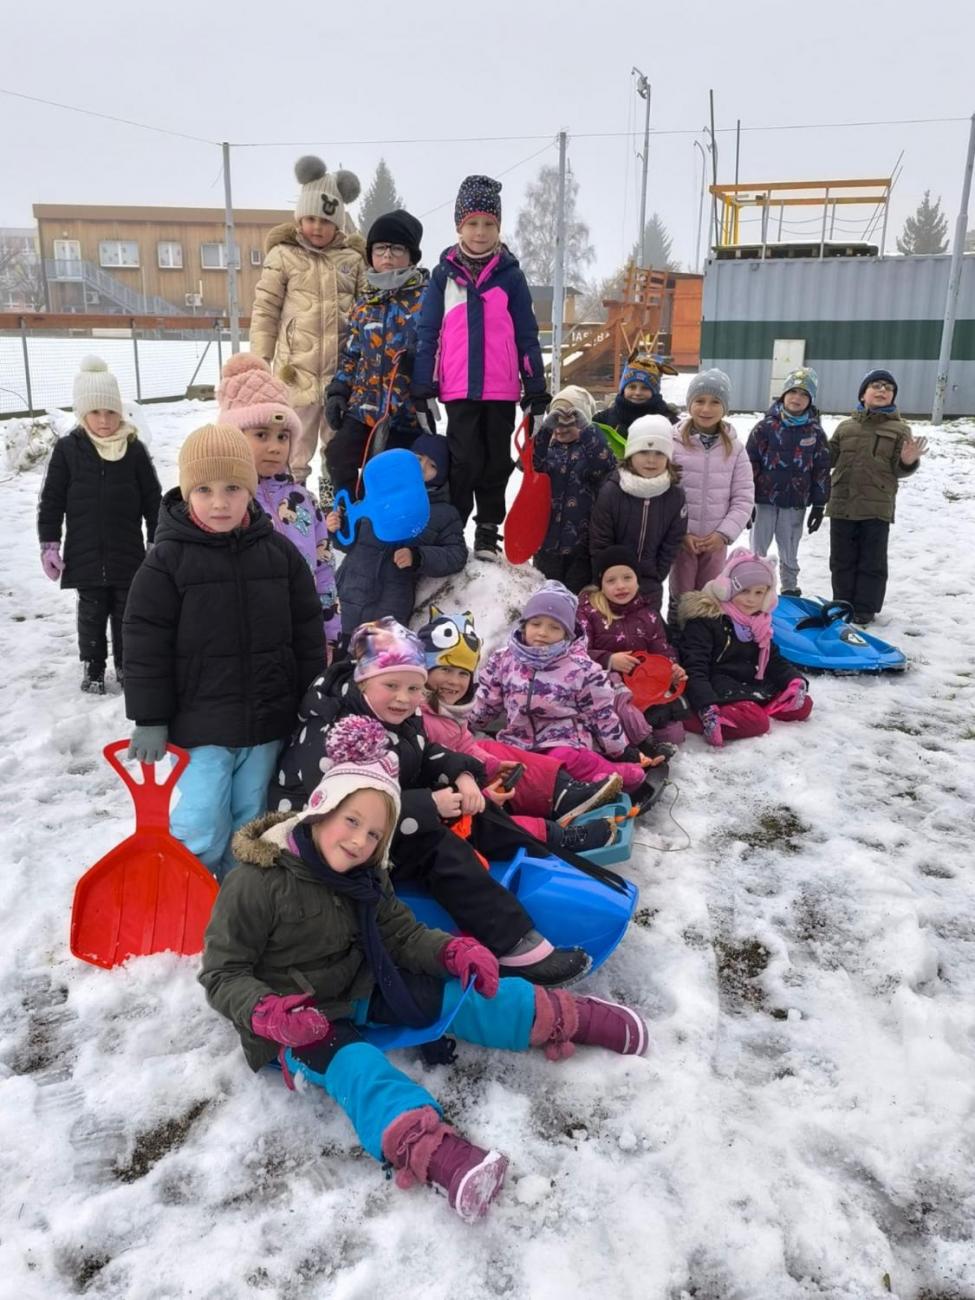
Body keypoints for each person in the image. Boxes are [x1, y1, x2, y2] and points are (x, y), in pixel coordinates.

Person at [202, 715, 649, 1223]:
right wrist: (266, 1013)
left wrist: (451, 953)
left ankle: (566, 1017)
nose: (358, 841)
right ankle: (434, 1154)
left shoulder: (367, 875)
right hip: (293, 1016)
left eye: (374, 834)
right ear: (321, 808)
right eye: (352, 822)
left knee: (459, 994)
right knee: (357, 1068)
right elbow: (222, 972)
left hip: (361, 980)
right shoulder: (257, 882)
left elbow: (400, 932)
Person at [270, 617, 590, 984]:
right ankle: (513, 944)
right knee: (436, 847)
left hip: (382, 819)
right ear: (363, 680)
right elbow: (341, 811)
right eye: (391, 684)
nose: (404, 698)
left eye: (414, 688)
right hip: (330, 847)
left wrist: (463, 774)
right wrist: (428, 806)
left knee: (478, 808)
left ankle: (545, 864)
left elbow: (421, 752)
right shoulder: (337, 730)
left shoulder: (394, 714)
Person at [122, 424, 322, 879]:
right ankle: (186, 890)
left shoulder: (278, 554)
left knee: (250, 818)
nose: (219, 502)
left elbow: (306, 630)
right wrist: (150, 718)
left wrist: (311, 699)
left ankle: (236, 896)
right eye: (205, 490)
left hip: (267, 719)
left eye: (233, 488)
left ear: (249, 489)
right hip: (200, 723)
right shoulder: (166, 562)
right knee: (202, 820)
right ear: (187, 492)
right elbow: (143, 642)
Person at [412, 174, 549, 560]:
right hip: (458, 389)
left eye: (489, 224)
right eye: (472, 223)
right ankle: (454, 523)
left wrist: (535, 389)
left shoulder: (511, 277)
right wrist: (423, 389)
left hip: (501, 388)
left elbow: (526, 334)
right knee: (464, 460)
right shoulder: (442, 277)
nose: (480, 232)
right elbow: (428, 334)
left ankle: (488, 528)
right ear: (459, 226)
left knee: (495, 461)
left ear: (499, 228)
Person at [416, 608, 621, 852]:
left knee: (497, 755)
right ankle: (559, 837)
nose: (454, 681)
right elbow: (431, 781)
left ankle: (562, 794)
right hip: (444, 809)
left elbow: (464, 746)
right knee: (492, 824)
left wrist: (491, 765)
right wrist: (484, 796)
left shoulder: (446, 711)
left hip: (462, 784)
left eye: (463, 673)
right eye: (445, 670)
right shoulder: (416, 717)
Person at [37, 355, 161, 694]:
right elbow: (52, 499)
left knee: (126, 614)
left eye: (111, 412)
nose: (104, 421)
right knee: (91, 616)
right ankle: (93, 667)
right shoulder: (68, 451)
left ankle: (126, 666)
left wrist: (156, 539)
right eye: (96, 413)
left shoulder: (133, 450)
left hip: (128, 554)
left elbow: (153, 498)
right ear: (82, 413)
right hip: (84, 553)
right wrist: (49, 543)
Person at [249, 157, 368, 497]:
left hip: (339, 379)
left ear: (339, 223)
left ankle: (333, 509)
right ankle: (290, 503)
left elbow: (363, 316)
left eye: (326, 220)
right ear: (300, 218)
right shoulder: (283, 256)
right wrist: (260, 362)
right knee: (293, 447)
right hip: (294, 373)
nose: (317, 227)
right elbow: (266, 311)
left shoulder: (352, 260)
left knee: (337, 449)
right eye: (311, 218)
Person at [468, 581, 653, 796]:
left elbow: (600, 715)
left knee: (565, 760)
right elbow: (487, 702)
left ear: (567, 633)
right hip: (517, 743)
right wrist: (460, 727)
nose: (542, 633)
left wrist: (620, 751)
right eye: (536, 623)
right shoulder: (503, 660)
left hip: (563, 743)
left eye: (554, 627)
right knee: (486, 753)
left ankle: (610, 776)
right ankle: (553, 792)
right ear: (524, 625)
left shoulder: (581, 668)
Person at [217, 353, 340, 651]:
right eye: (261, 434)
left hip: (304, 630)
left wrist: (331, 634)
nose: (275, 447)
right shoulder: (225, 504)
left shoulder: (304, 499)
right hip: (246, 639)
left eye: (283, 436)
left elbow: (323, 567)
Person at [324, 209, 431, 500]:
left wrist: (420, 364)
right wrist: (338, 390)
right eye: (381, 248)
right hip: (362, 408)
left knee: (391, 475)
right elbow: (352, 354)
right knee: (337, 455)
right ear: (371, 254)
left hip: (405, 412)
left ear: (411, 256)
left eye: (397, 249)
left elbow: (442, 349)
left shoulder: (427, 300)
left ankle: (389, 528)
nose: (387, 256)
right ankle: (349, 513)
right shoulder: (364, 302)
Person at [325, 433, 466, 642]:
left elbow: (456, 554)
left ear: (442, 474)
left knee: (379, 666)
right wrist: (337, 528)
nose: (421, 467)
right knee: (336, 657)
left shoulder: (444, 513)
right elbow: (351, 541)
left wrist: (418, 556)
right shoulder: (381, 495)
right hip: (348, 594)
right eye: (418, 458)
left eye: (432, 465)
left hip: (389, 604)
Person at [675, 550, 812, 747]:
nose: (751, 600)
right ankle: (694, 718)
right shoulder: (705, 621)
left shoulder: (758, 622)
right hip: (715, 687)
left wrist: (794, 680)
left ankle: (748, 709)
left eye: (759, 593)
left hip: (749, 683)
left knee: (802, 705)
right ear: (728, 589)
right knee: (756, 722)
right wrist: (706, 704)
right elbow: (695, 669)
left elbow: (772, 659)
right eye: (744, 591)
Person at [826, 369, 927, 626]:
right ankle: (842, 602)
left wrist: (907, 461)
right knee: (841, 558)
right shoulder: (846, 427)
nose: (882, 390)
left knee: (872, 560)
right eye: (876, 385)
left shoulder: (899, 429)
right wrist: (815, 441)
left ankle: (864, 608)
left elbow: (899, 467)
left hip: (877, 505)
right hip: (842, 503)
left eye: (888, 387)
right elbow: (829, 457)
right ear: (863, 394)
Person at [577, 546, 689, 757]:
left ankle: (644, 737)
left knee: (674, 735)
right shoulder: (589, 612)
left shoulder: (649, 616)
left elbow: (662, 651)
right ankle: (637, 745)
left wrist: (672, 670)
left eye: (627, 577)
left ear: (637, 580)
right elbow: (576, 654)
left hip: (644, 688)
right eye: (611, 580)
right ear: (600, 584)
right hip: (604, 689)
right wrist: (609, 659)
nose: (620, 586)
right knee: (621, 715)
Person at [668, 369, 754, 621]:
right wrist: (680, 532)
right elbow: (664, 491)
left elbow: (743, 497)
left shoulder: (735, 449)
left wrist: (723, 534)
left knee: (710, 597)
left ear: (724, 407)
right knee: (680, 596)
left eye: (715, 402)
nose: (706, 408)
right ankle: (675, 640)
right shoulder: (673, 443)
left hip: (715, 542)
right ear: (689, 404)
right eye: (699, 401)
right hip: (682, 539)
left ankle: (703, 646)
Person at [589, 414, 688, 613]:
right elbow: (600, 540)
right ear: (631, 454)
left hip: (650, 584)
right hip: (612, 582)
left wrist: (657, 573)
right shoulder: (612, 491)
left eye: (659, 453)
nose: (651, 460)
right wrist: (608, 576)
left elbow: (673, 540)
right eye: (643, 451)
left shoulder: (675, 495)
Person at [745, 367, 830, 597]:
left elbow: (821, 469)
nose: (797, 398)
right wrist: (744, 502)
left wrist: (820, 504)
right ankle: (756, 584)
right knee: (758, 548)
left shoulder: (815, 432)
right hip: (764, 500)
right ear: (783, 395)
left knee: (790, 547)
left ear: (810, 400)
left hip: (795, 501)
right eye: (792, 392)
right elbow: (749, 463)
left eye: (804, 394)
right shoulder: (764, 428)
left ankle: (790, 586)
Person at [531, 386, 615, 592]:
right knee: (547, 595)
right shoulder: (547, 450)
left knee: (577, 599)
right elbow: (529, 465)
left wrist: (587, 429)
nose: (561, 429)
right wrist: (544, 430)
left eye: (569, 423)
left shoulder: (591, 450)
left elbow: (605, 465)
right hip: (547, 543)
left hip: (581, 544)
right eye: (556, 423)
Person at [592, 350, 680, 434]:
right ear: (623, 389)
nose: (637, 393)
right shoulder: (604, 418)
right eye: (632, 387)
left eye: (645, 388)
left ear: (655, 392)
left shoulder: (668, 419)